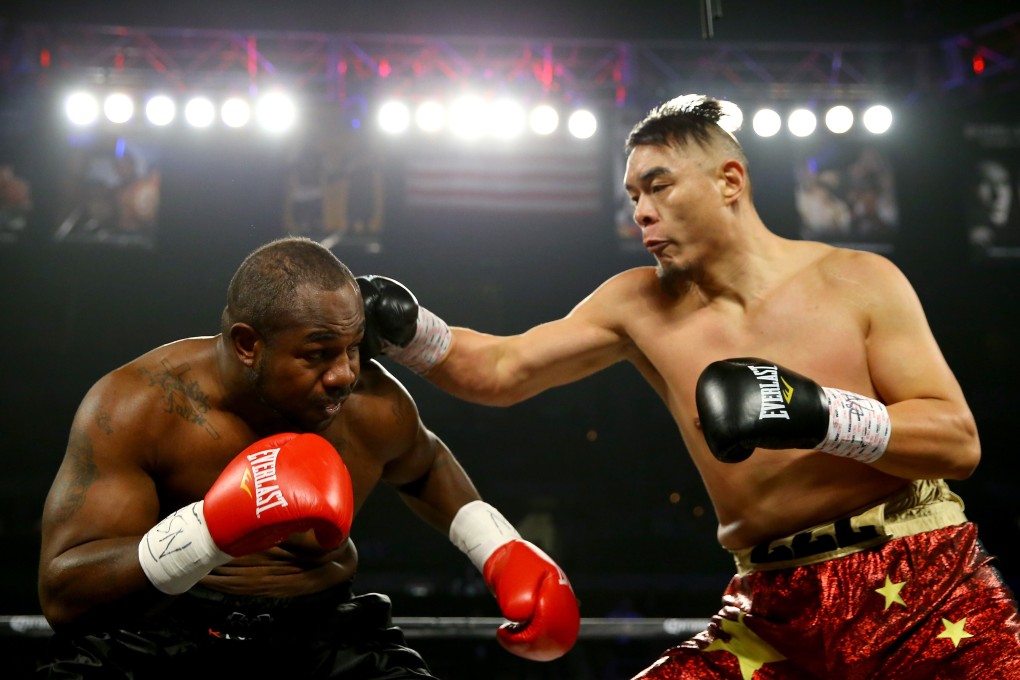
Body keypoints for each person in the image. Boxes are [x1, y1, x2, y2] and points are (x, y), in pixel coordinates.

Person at [358, 94, 1020, 678]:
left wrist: (820, 414)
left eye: (659, 187)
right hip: (772, 611)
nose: (641, 213)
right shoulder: (638, 304)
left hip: (920, 583)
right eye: (633, 197)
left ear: (729, 180)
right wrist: (410, 330)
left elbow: (957, 442)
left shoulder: (858, 280)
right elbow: (501, 370)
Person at [36, 236, 580, 679]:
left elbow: (424, 464)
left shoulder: (369, 403)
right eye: (318, 353)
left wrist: (500, 550)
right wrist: (206, 532)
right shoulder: (142, 406)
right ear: (247, 344)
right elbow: (63, 594)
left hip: (325, 636)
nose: (344, 373)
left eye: (353, 347)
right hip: (163, 632)